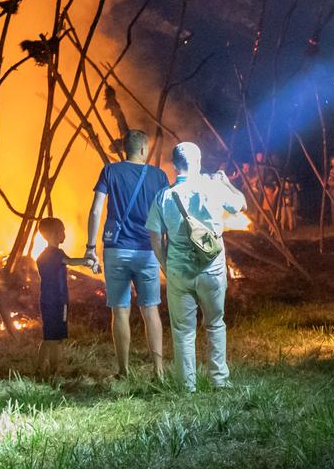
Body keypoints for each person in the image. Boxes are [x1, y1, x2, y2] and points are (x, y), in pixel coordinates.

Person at [146, 141, 247, 392]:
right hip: (211, 269)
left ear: (174, 165)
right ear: (198, 162)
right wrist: (225, 181)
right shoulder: (212, 187)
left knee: (182, 330)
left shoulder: (164, 195)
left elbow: (155, 236)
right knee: (215, 323)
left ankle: (187, 386)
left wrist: (164, 265)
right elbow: (240, 203)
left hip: (179, 271)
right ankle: (219, 379)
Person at [85, 130, 169, 377]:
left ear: (126, 149)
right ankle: (159, 371)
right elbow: (165, 215)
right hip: (147, 251)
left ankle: (123, 371)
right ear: (144, 149)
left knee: (120, 310)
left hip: (116, 249)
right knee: (150, 309)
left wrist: (90, 247)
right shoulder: (160, 176)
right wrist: (166, 250)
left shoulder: (110, 171)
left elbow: (95, 211)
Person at [34, 217, 89, 378]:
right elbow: (71, 261)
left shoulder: (43, 255)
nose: (65, 233)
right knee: (56, 340)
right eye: (63, 230)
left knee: (48, 337)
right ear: (55, 233)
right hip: (57, 302)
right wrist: (89, 261)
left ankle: (40, 370)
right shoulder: (55, 253)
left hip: (46, 300)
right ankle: (54, 373)